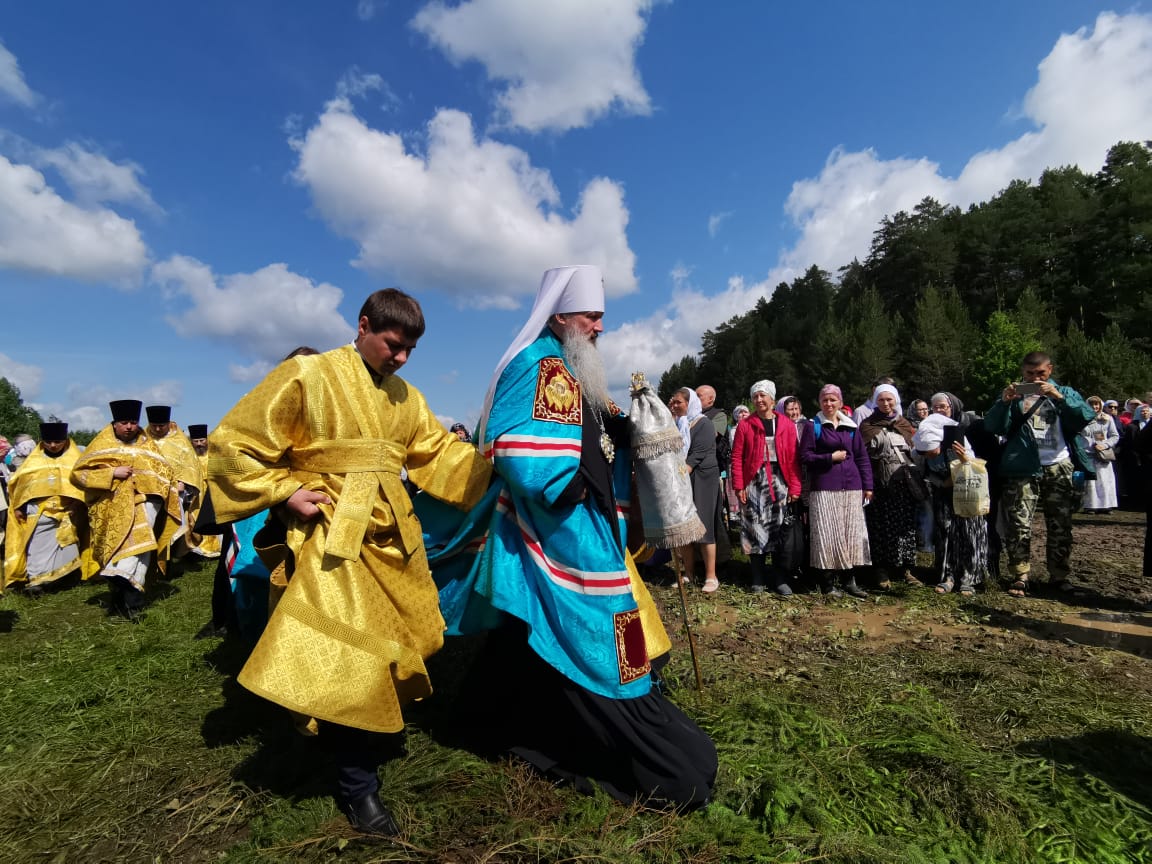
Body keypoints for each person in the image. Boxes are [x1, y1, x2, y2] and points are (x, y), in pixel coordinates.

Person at [421, 264, 717, 811]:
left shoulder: (576, 371)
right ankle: (634, 743)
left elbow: (601, 435)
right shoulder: (542, 367)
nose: (600, 326)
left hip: (588, 526)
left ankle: (496, 723)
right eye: (591, 315)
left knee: (534, 636)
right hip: (559, 530)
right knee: (601, 633)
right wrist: (574, 486)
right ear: (559, 315)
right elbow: (521, 453)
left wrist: (637, 428)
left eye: (603, 315)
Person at [206, 289, 491, 836]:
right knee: (351, 653)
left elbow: (437, 453)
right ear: (363, 325)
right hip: (329, 535)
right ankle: (357, 784)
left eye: (410, 349)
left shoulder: (407, 396)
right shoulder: (308, 375)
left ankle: (367, 730)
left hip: (392, 539)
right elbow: (234, 443)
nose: (401, 358)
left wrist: (495, 464)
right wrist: (284, 491)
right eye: (393, 345)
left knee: (406, 639)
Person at [984, 351, 1094, 597]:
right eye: (1030, 374)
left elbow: (1086, 417)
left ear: (1050, 371)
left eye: (1041, 373)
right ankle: (1021, 574)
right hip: (1022, 466)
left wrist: (1060, 398)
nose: (1036, 378)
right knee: (1018, 524)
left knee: (1060, 525)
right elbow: (992, 426)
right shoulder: (1013, 395)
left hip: (1059, 465)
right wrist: (1003, 402)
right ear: (1023, 372)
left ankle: (1059, 576)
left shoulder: (1065, 392)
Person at [71, 400, 182, 618]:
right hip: (109, 510)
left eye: (133, 422)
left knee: (138, 552)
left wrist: (172, 487)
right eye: (124, 422)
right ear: (114, 424)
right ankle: (119, 602)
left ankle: (133, 605)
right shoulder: (100, 445)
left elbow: (164, 472)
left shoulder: (148, 446)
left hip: (145, 506)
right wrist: (111, 474)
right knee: (117, 554)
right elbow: (77, 475)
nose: (129, 426)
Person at [2, 422, 94, 594]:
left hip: (70, 512)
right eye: (48, 441)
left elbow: (85, 486)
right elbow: (20, 486)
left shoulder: (75, 460)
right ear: (41, 441)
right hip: (39, 512)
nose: (52, 445)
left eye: (57, 441)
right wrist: (19, 507)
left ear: (65, 440)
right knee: (37, 547)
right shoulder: (33, 462)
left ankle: (64, 578)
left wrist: (77, 504)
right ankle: (36, 580)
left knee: (68, 547)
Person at [800, 384, 873, 598]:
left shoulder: (850, 427)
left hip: (852, 487)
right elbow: (805, 456)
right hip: (824, 487)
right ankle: (827, 583)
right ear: (819, 403)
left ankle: (850, 581)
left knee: (851, 533)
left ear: (840, 402)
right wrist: (829, 458)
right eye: (825, 400)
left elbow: (861, 457)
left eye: (833, 400)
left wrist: (868, 485)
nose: (829, 404)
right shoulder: (813, 426)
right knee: (827, 534)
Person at [731, 380, 801, 595]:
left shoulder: (787, 425)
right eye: (755, 397)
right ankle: (758, 578)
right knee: (754, 530)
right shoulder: (746, 424)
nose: (759, 400)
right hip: (754, 481)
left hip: (780, 481)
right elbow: (737, 457)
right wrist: (739, 485)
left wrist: (795, 486)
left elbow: (794, 458)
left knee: (779, 530)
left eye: (763, 396)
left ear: (772, 399)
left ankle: (780, 578)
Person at [912, 414, 988, 596]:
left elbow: (976, 470)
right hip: (943, 496)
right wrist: (941, 483)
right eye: (925, 452)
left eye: (932, 450)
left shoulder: (958, 445)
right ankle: (948, 576)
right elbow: (924, 473)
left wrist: (964, 459)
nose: (929, 454)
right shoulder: (920, 454)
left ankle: (968, 578)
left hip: (966, 495)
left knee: (968, 533)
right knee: (946, 534)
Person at [860, 384, 922, 590]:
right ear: (875, 401)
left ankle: (905, 569)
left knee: (905, 526)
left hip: (904, 484)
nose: (886, 404)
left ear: (896, 400)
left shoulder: (904, 423)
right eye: (881, 400)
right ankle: (881, 569)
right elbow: (863, 457)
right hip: (880, 485)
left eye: (889, 399)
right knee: (881, 527)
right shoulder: (867, 425)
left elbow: (915, 450)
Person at [670, 387, 722, 593]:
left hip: (702, 478)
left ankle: (711, 576)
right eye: (672, 402)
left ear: (689, 403)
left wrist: (682, 472)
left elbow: (698, 453)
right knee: (684, 527)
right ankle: (688, 574)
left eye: (678, 402)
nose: (674, 406)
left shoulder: (704, 424)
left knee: (704, 525)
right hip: (683, 477)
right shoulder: (678, 424)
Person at [145, 405, 203, 559]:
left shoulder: (180, 441)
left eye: (161, 426)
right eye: (154, 426)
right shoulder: (143, 439)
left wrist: (184, 482)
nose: (157, 429)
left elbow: (190, 465)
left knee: (172, 529)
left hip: (175, 492)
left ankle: (169, 561)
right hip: (149, 491)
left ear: (168, 423)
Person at [183, 423, 222, 559]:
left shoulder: (214, 455)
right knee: (195, 519)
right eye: (196, 441)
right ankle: (198, 549)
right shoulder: (190, 458)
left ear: (207, 440)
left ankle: (213, 549)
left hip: (213, 492)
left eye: (202, 440)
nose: (199, 444)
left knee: (211, 519)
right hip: (196, 494)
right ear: (192, 442)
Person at [1080, 396, 1120, 514]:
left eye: (1096, 404)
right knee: (1090, 482)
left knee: (1104, 480)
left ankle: (1107, 505)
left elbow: (1115, 436)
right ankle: (1090, 506)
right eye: (1092, 405)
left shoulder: (1107, 419)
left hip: (1102, 454)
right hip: (1088, 453)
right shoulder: (1082, 418)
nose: (1094, 407)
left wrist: (1105, 444)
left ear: (1100, 405)